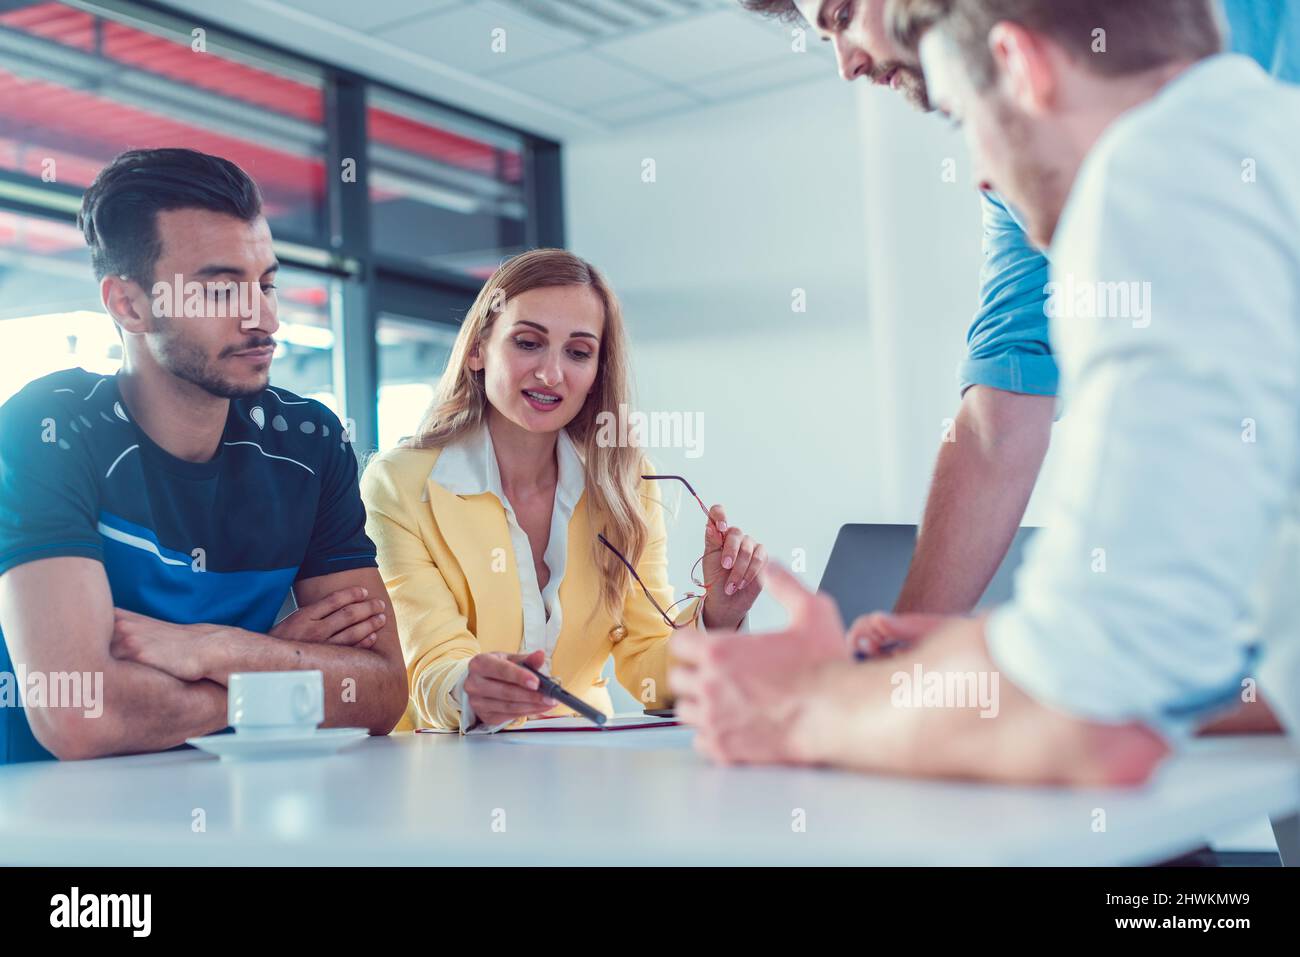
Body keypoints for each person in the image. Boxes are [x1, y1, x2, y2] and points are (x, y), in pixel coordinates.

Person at [672, 0, 1300, 783]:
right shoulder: (1267, 136)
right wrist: (982, 659)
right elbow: (1236, 674)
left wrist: (804, 703)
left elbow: (1096, 719)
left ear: (1022, 65)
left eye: (964, 116)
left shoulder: (1149, 178)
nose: (978, 172)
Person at [0, 148, 408, 763]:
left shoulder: (309, 441)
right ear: (128, 305)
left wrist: (217, 649)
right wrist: (269, 663)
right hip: (53, 825)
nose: (264, 317)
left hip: (235, 813)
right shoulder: (48, 429)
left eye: (267, 283)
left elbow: (380, 691)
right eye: (221, 290)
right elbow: (81, 715)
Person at [361, 248, 765, 732]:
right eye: (528, 343)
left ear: (597, 372)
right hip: (451, 765)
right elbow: (428, 659)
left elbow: (646, 665)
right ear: (477, 350)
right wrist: (471, 688)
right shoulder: (399, 484)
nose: (551, 374)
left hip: (582, 766)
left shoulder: (627, 486)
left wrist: (718, 620)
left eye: (577, 352)